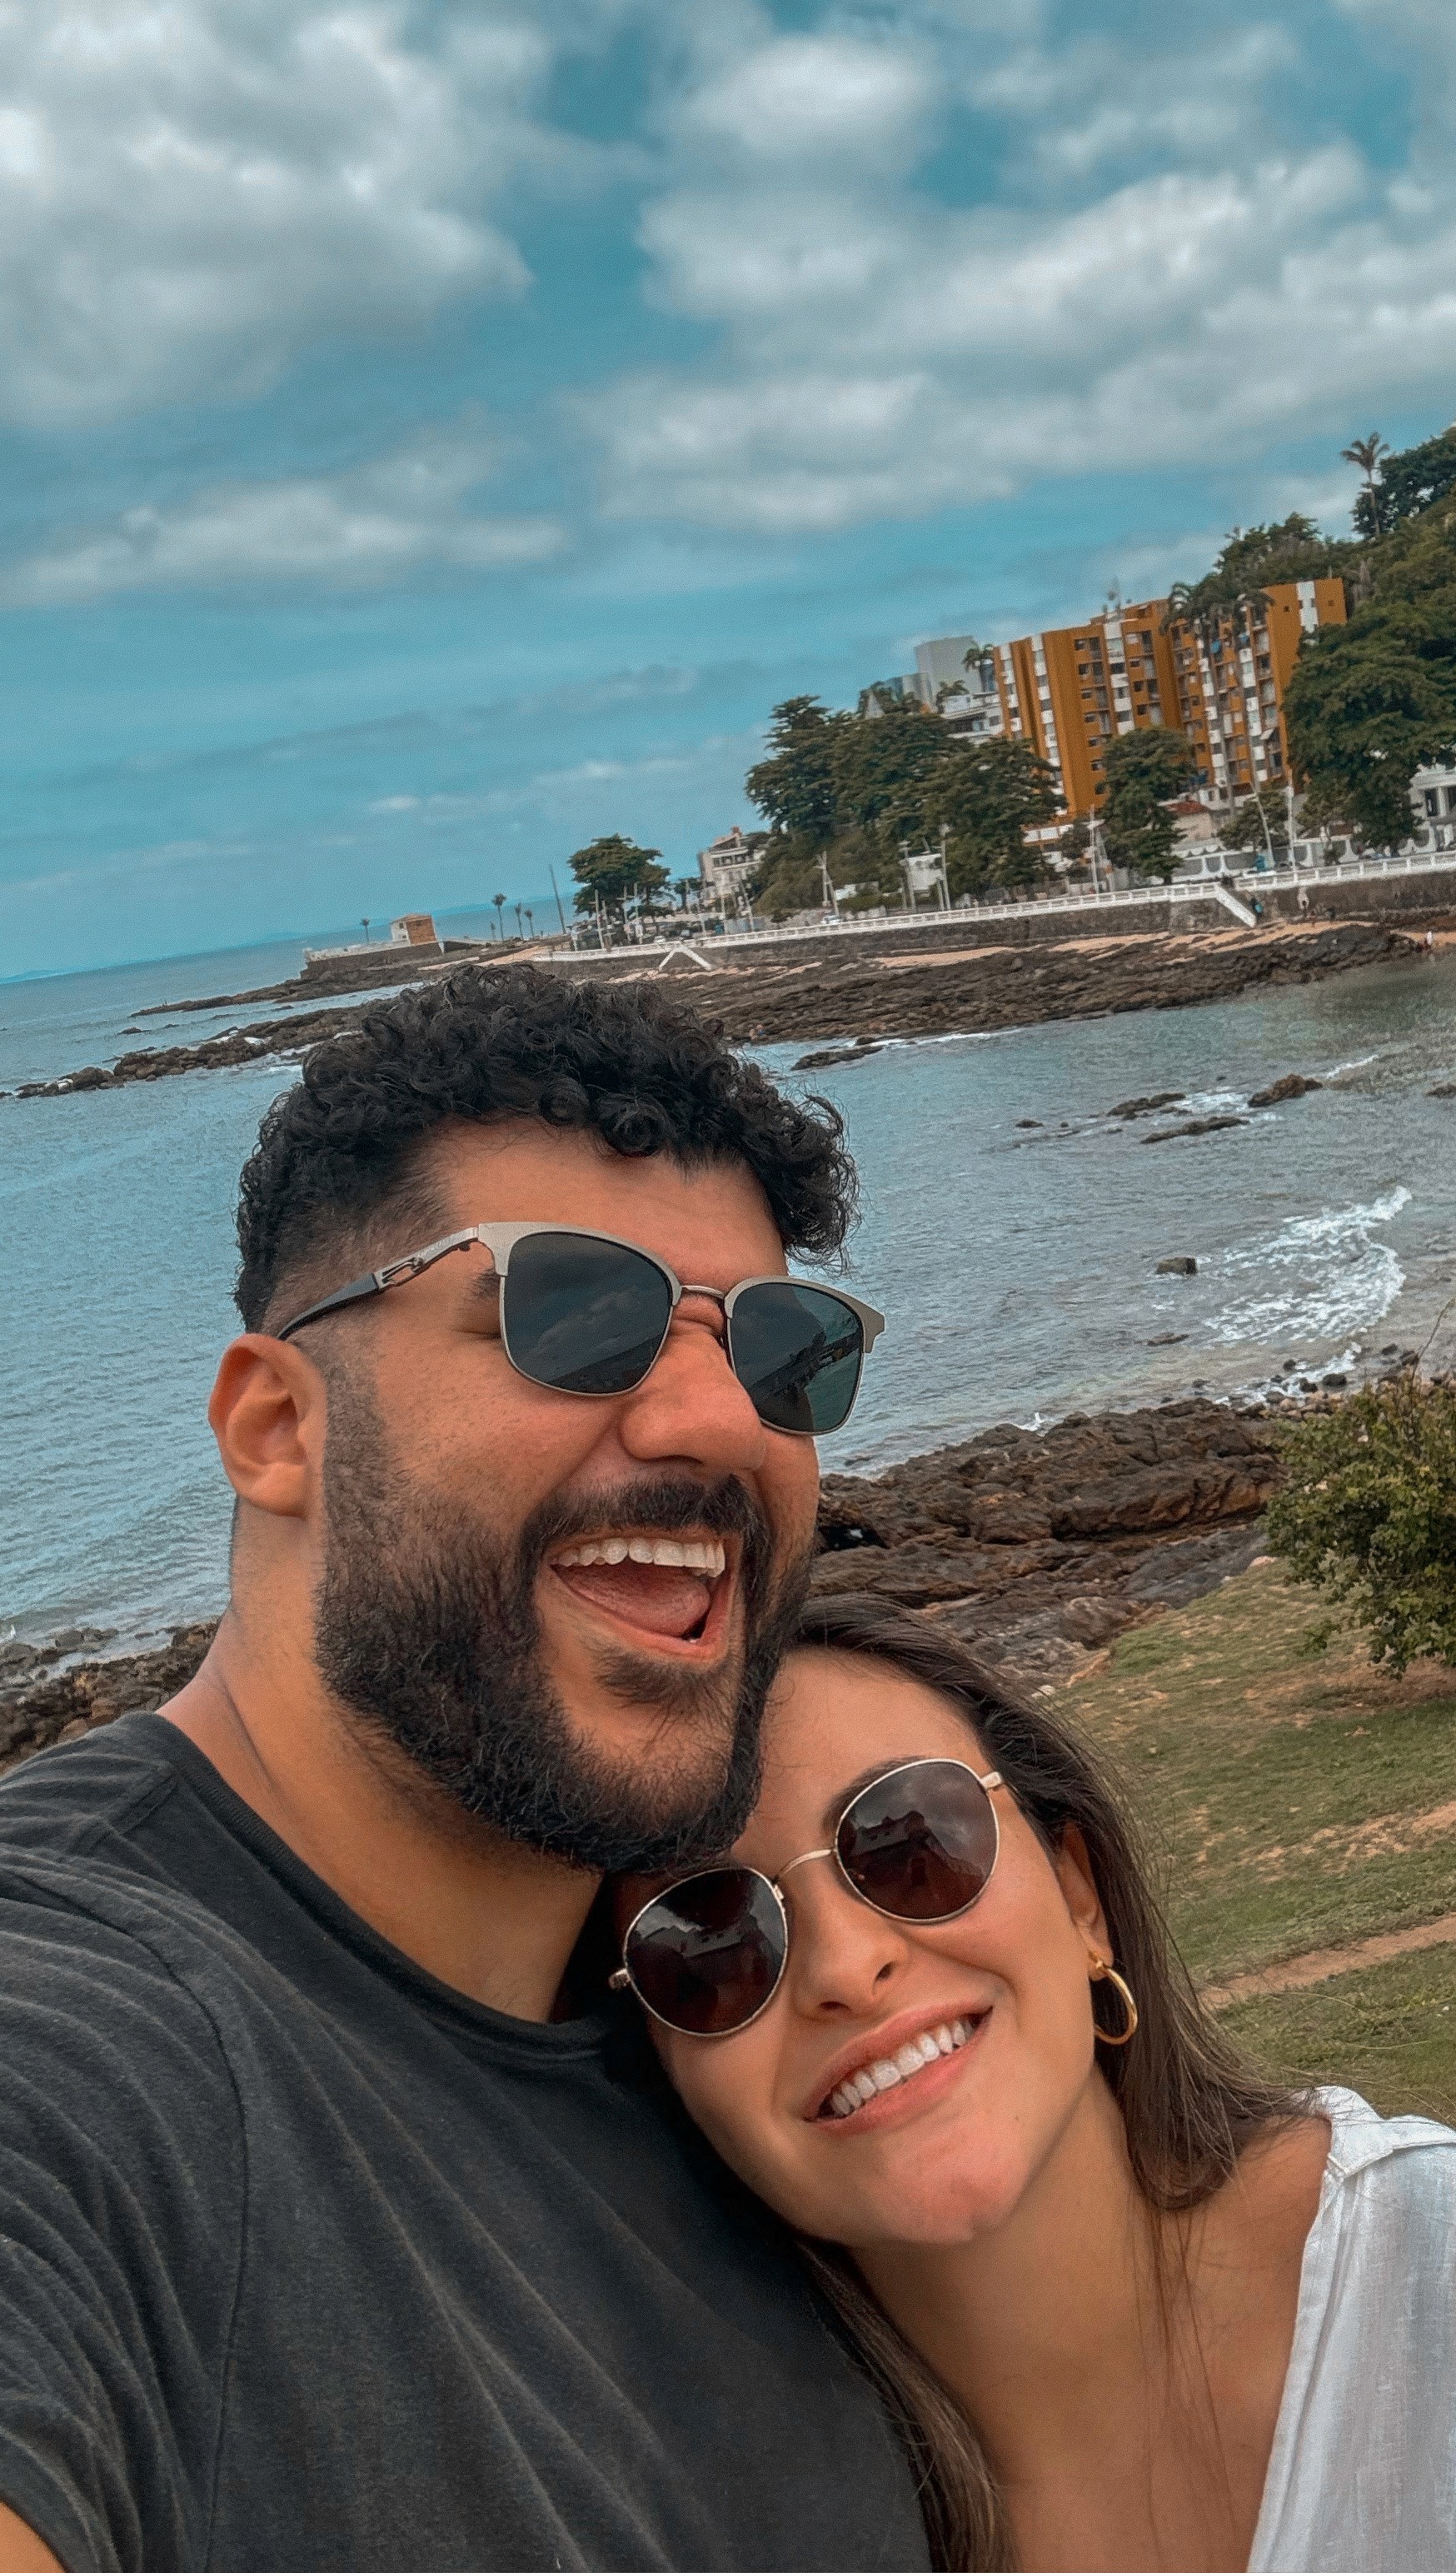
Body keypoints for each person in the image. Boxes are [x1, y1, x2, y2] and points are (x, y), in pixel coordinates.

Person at [0, 968, 928, 2573]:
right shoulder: (84, 2046)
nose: (720, 1420)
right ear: (279, 1427)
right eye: (579, 1311)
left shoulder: (744, 2018)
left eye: (784, 1351)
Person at [628, 1596, 1456, 2573]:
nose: (849, 1966)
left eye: (909, 1843)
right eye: (709, 1941)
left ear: (1081, 1902)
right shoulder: (725, 2520)